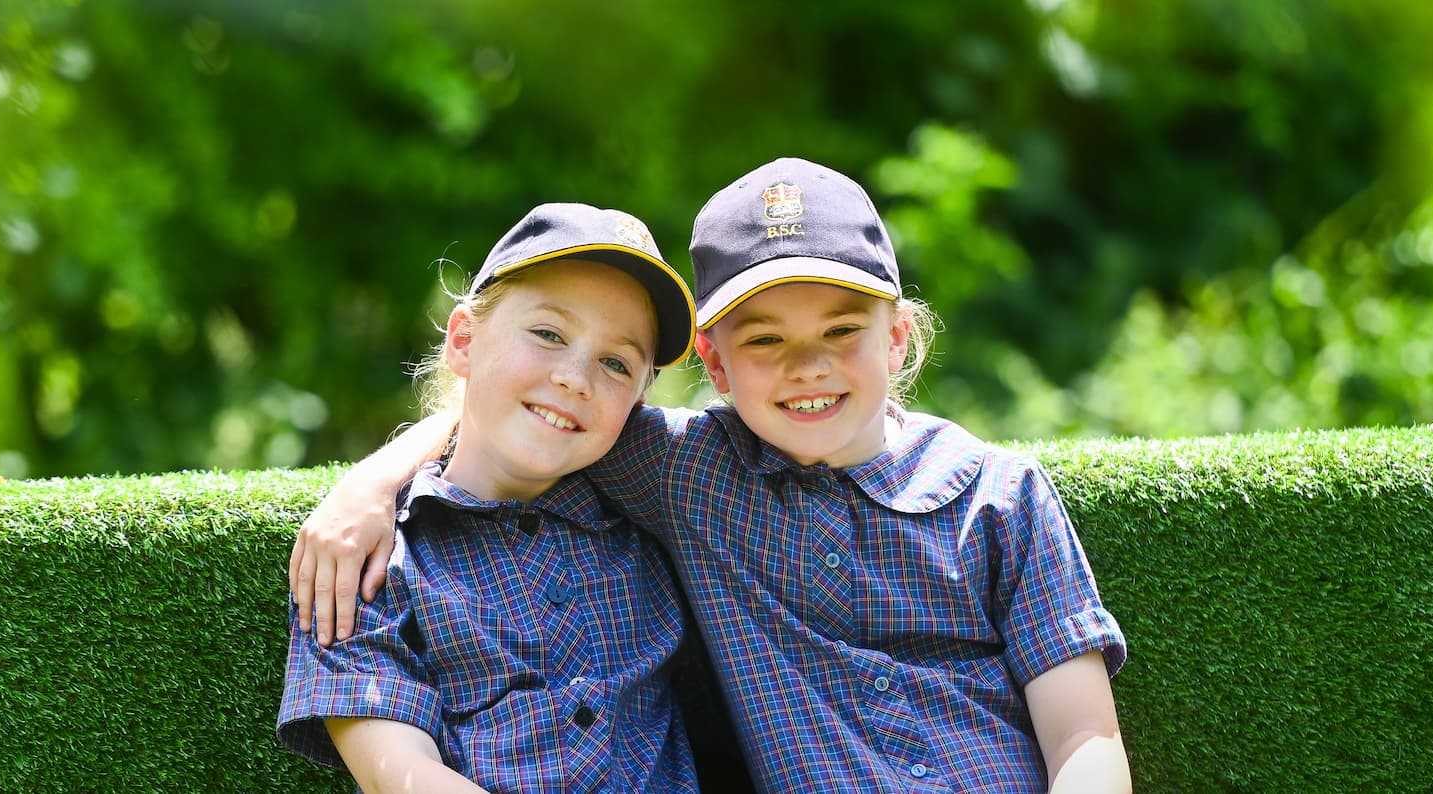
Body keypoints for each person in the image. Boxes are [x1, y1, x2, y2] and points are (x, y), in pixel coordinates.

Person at [290, 158, 1132, 792]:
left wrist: (369, 475)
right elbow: (525, 417)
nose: (808, 366)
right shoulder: (690, 474)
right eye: (765, 339)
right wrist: (369, 486)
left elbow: (1086, 741)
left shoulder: (1000, 493)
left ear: (899, 337)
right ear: (715, 366)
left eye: (842, 329)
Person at [277, 203, 730, 792]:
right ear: (463, 340)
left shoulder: (654, 511)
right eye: (547, 334)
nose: (575, 377)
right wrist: (373, 485)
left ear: (639, 404)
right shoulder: (370, 562)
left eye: (616, 363)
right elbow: (401, 774)